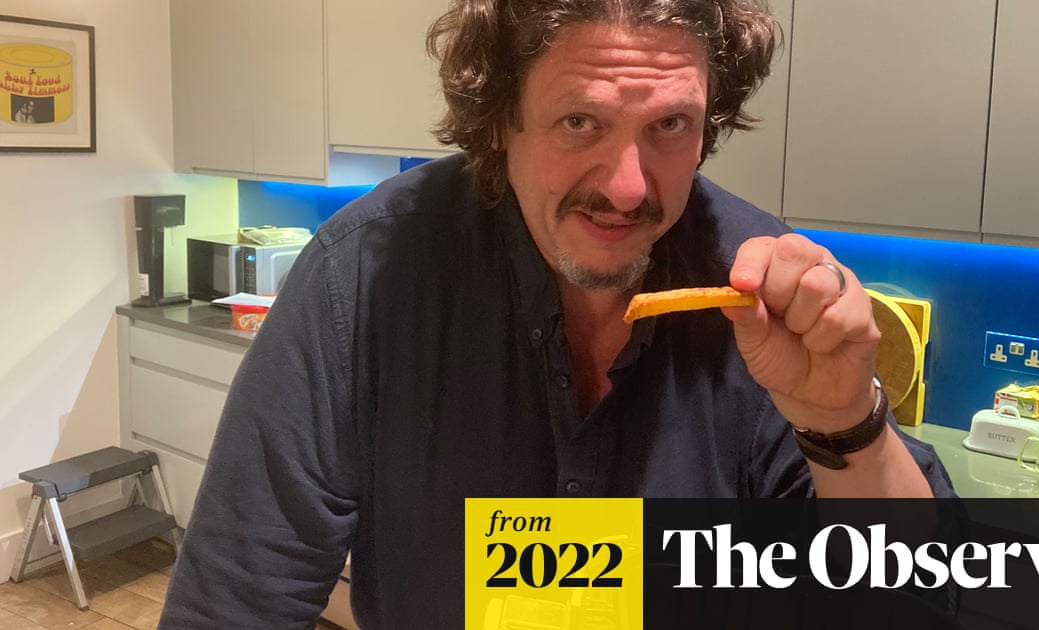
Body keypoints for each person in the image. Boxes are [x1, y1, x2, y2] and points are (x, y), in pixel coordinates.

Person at [159, 0, 954, 627]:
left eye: (669, 126)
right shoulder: (365, 276)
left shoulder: (757, 293)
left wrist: (843, 423)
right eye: (580, 122)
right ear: (501, 118)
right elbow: (236, 600)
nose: (629, 187)